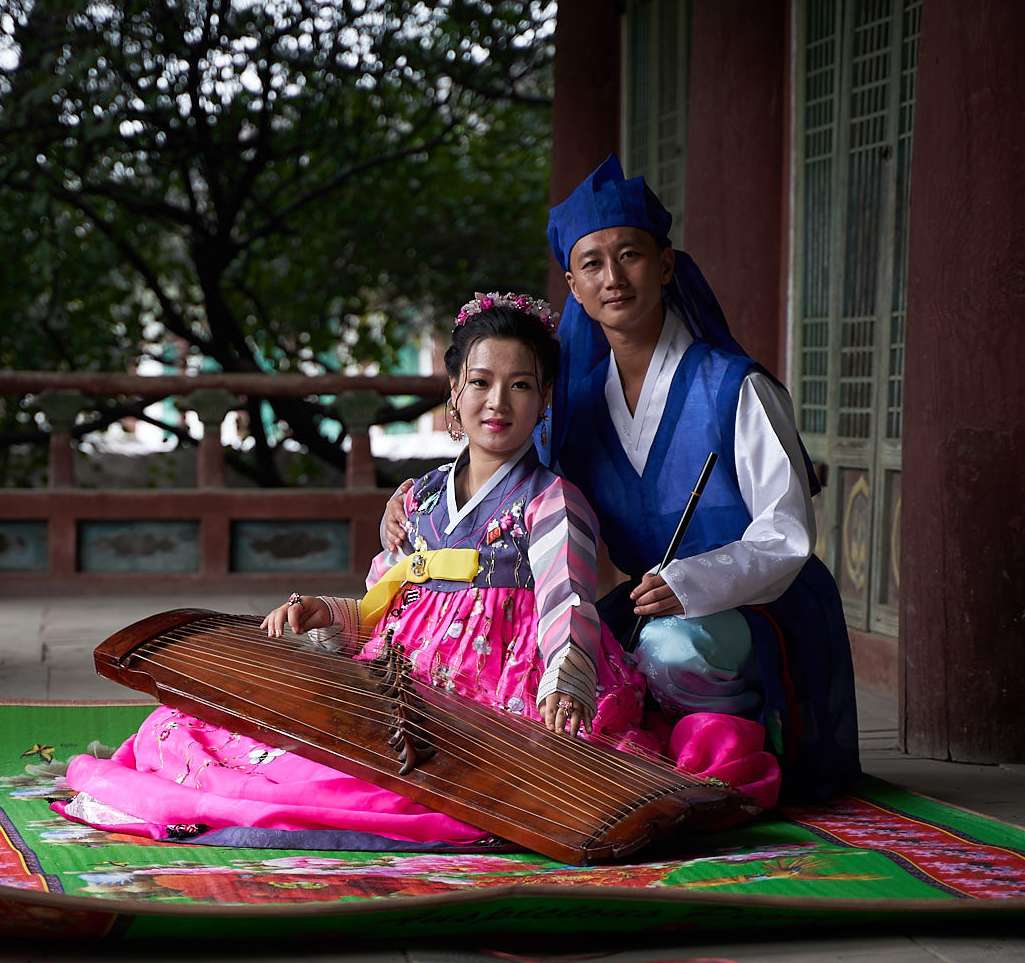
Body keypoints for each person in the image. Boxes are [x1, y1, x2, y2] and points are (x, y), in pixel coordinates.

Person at [54, 293, 781, 851]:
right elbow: (383, 604)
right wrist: (326, 614)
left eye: (521, 386)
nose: (498, 402)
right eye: (481, 382)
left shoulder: (553, 500)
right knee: (200, 728)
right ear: (454, 392)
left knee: (416, 777)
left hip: (502, 683)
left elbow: (569, 605)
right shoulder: (418, 497)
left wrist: (567, 683)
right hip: (403, 669)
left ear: (545, 400)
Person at [384, 157, 859, 801]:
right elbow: (515, 497)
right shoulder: (576, 405)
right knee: (567, 662)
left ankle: (739, 739)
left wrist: (692, 582)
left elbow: (788, 535)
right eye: (592, 263)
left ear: (664, 264)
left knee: (664, 652)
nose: (612, 277)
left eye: (630, 255)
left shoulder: (734, 387)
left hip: (756, 609)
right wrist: (411, 505)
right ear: (573, 286)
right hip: (645, 604)